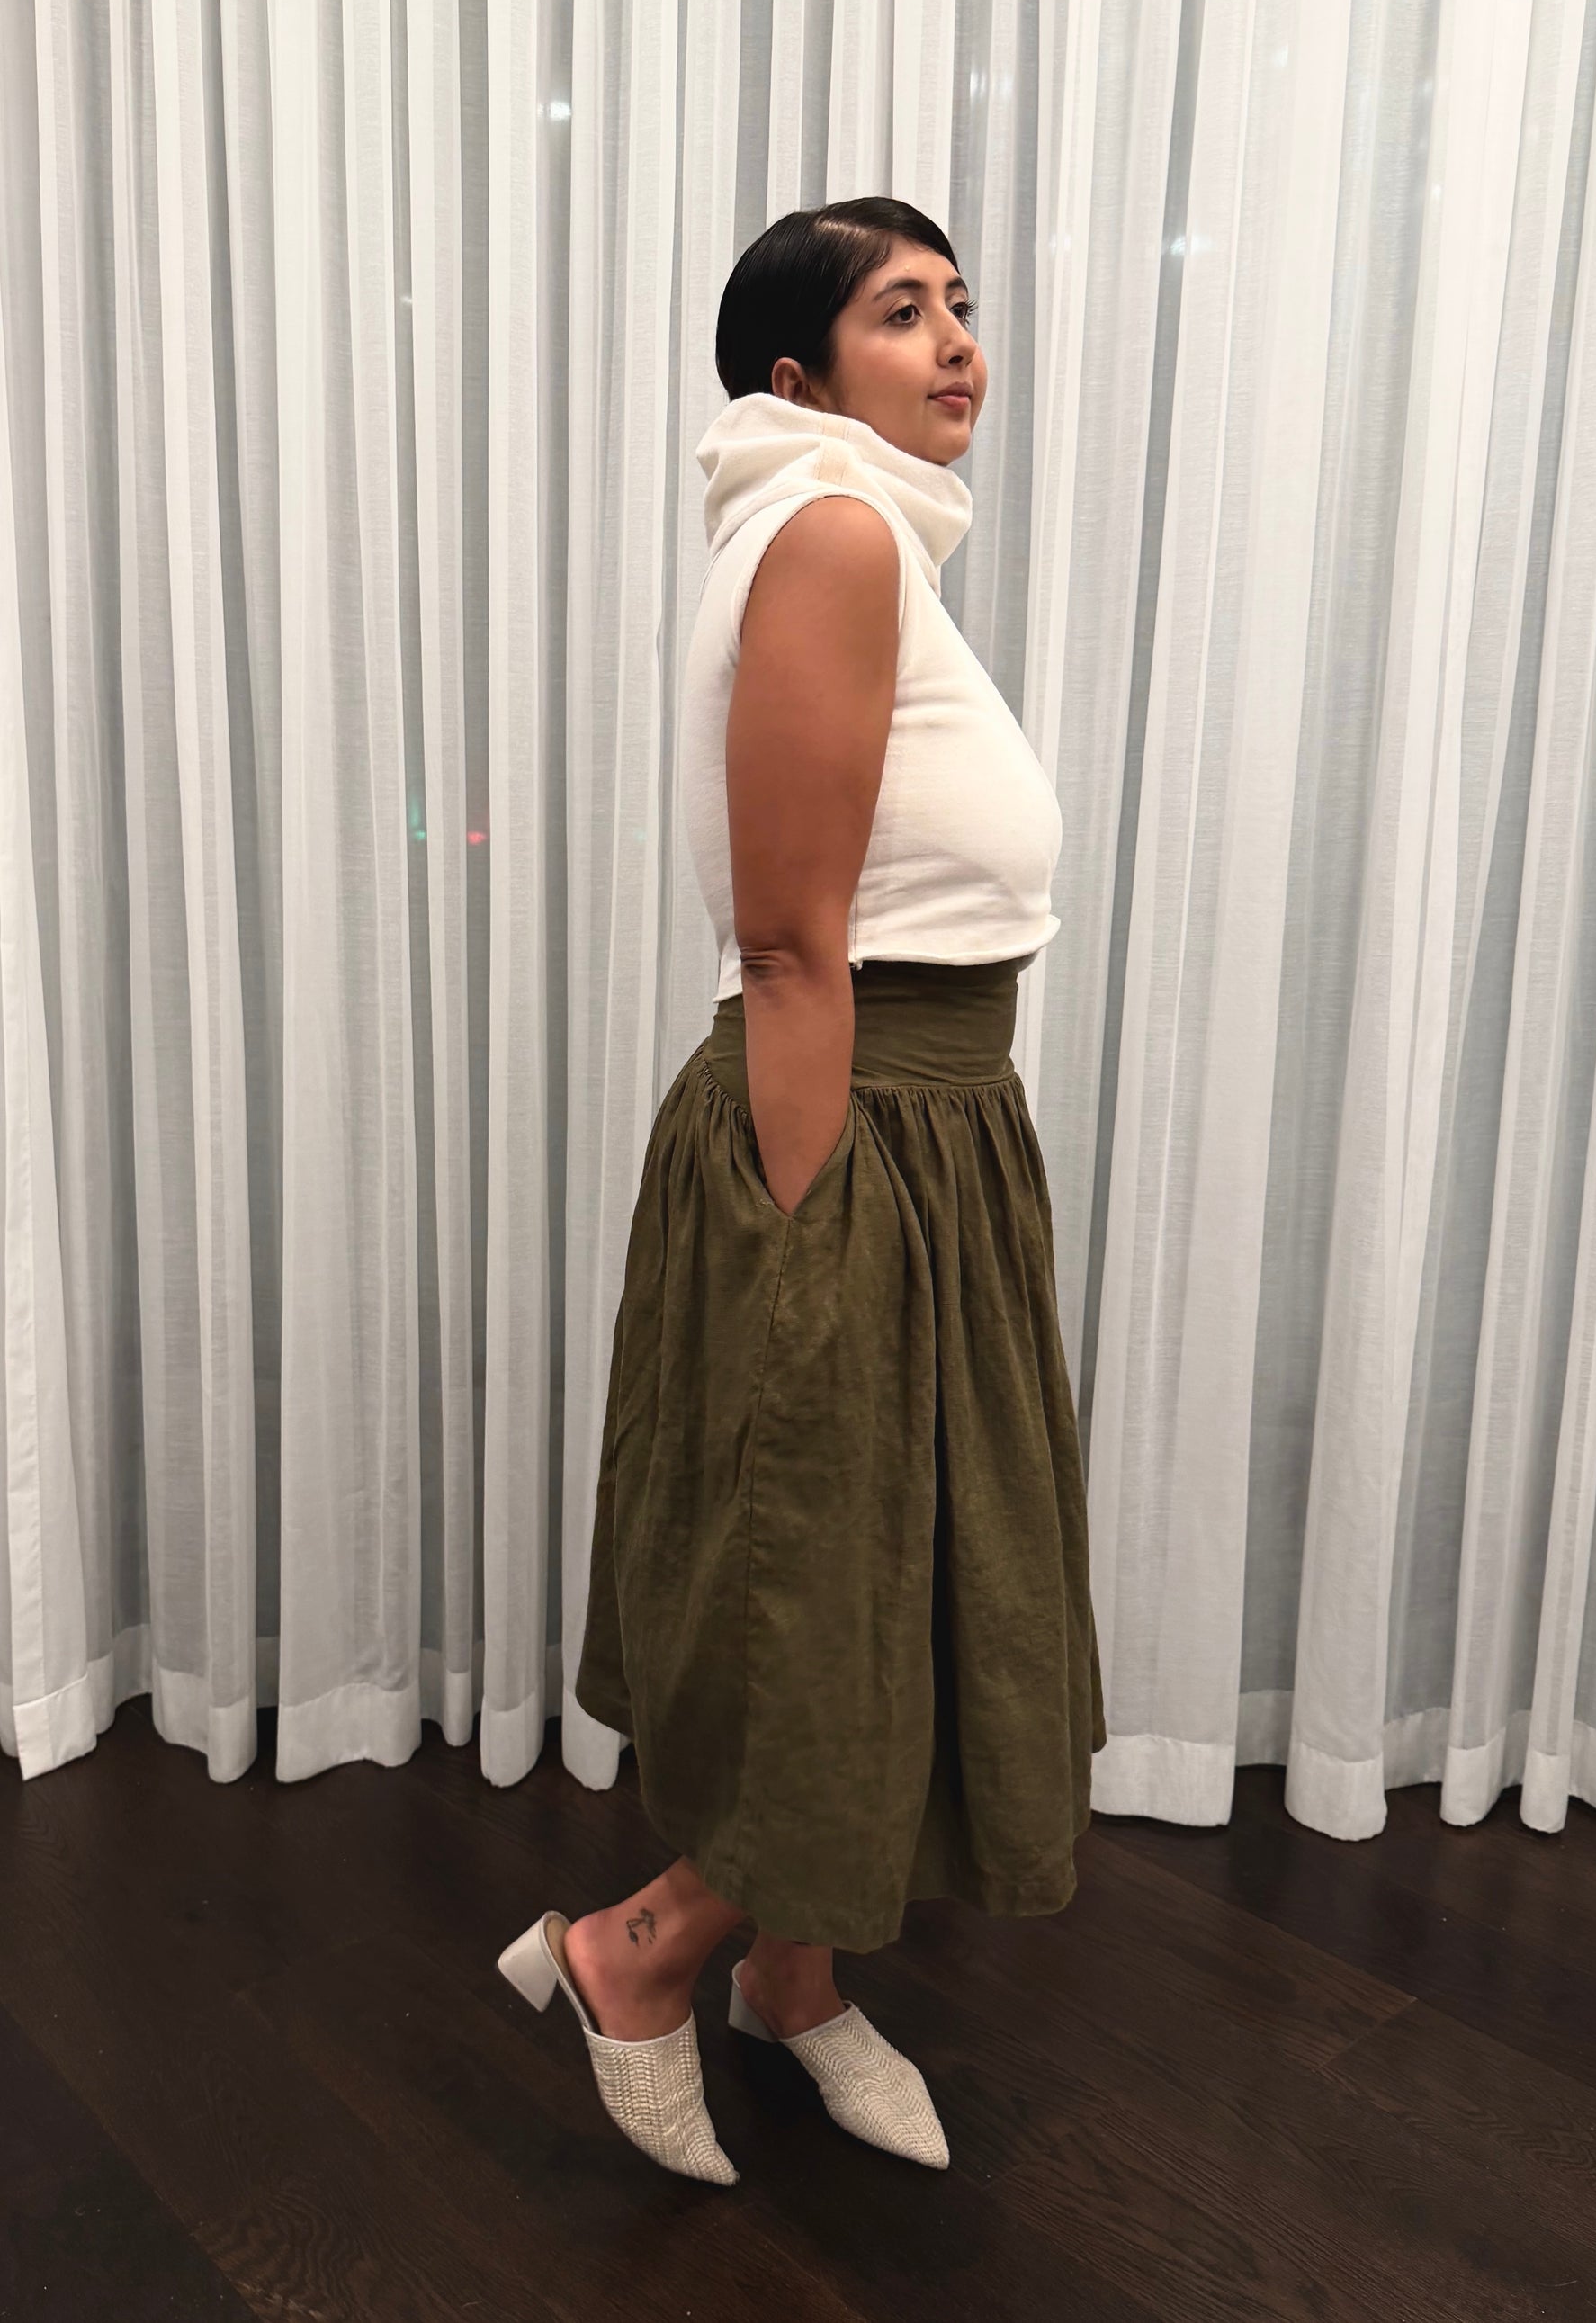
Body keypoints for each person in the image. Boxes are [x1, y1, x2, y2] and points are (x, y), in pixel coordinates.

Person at [498, 197, 1105, 2186]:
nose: (957, 344)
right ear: (795, 373)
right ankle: (638, 1953)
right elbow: (784, 940)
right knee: (824, 1595)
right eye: (900, 312)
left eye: (961, 306)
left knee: (894, 1588)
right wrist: (808, 1233)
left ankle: (796, 1975)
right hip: (852, 1133)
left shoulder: (859, 537)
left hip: (933, 1131)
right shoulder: (834, 531)